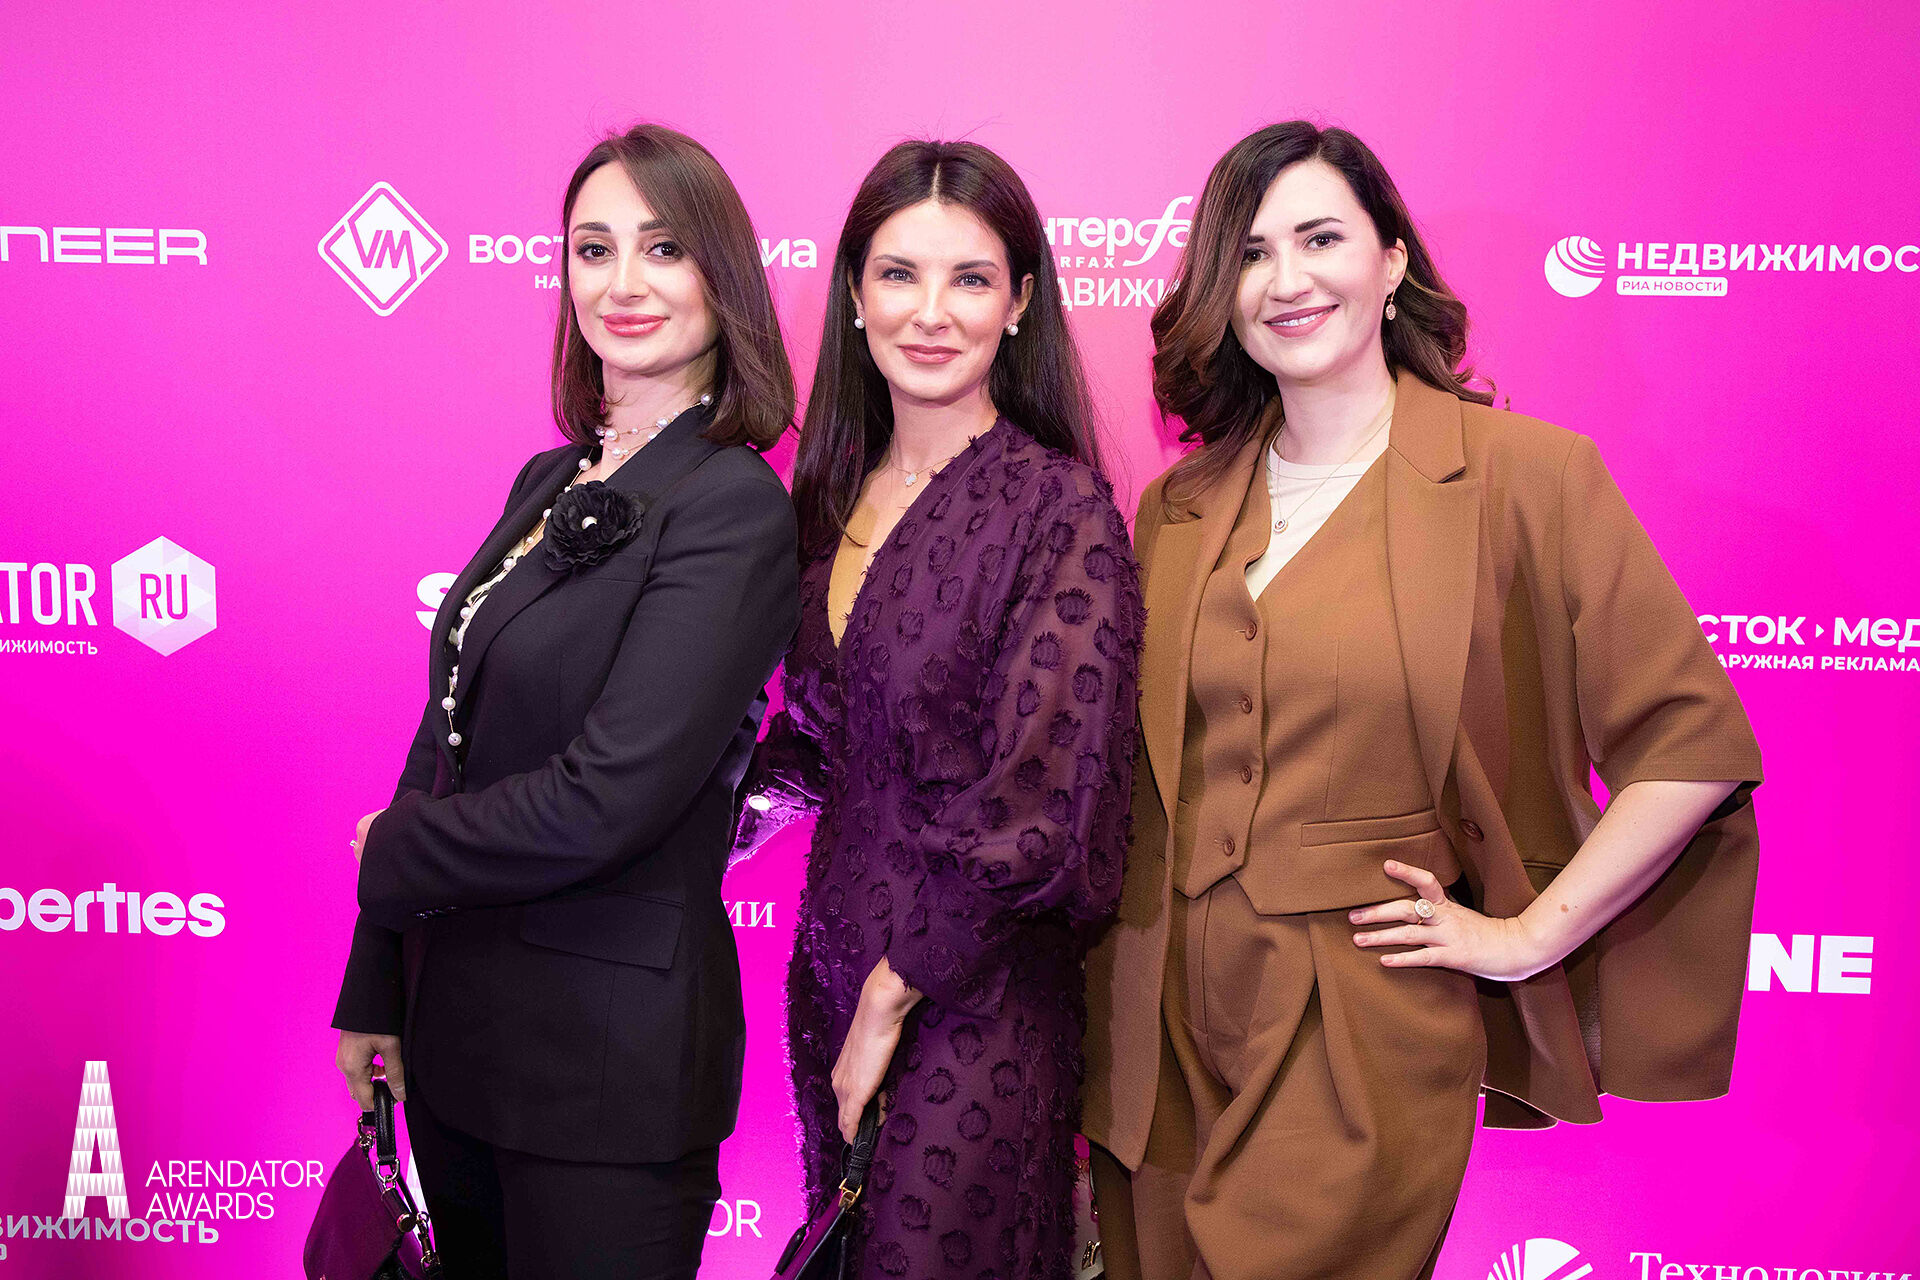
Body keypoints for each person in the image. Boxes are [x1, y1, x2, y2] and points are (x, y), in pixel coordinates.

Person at [1081, 121, 1764, 1280]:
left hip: (1360, 1019)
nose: (1287, 280)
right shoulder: (1178, 503)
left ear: (1392, 258)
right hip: (1150, 1028)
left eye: (1321, 238)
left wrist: (1526, 935)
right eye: (1251, 253)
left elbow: (1691, 743)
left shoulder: (1526, 478)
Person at [330, 123, 799, 1280]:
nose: (623, 282)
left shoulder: (733, 505)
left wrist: (396, 850)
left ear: (722, 278)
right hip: (458, 1045)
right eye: (595, 249)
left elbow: (611, 794)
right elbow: (444, 730)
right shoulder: (549, 478)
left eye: (663, 248)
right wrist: (374, 978)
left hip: (607, 1077)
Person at [731, 139, 1144, 1279]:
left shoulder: (1058, 508)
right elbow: (823, 747)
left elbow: (1048, 810)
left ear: (1019, 302)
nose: (930, 311)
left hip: (972, 999)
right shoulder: (829, 499)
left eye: (970, 278)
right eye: (899, 274)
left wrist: (889, 994)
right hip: (827, 974)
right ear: (855, 295)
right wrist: (670, 827)